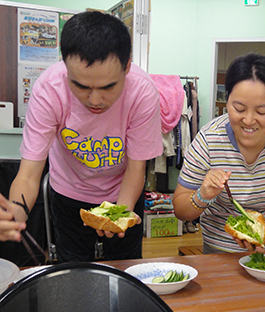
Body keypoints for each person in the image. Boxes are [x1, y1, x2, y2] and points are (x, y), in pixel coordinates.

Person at [8, 11, 163, 262]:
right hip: (68, 194)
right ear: (65, 65)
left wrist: (117, 216)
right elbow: (28, 174)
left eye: (108, 87)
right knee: (74, 272)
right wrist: (14, 215)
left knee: (123, 270)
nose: (94, 100)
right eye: (80, 86)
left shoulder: (142, 92)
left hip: (122, 194)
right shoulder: (49, 90)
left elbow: (136, 169)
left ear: (127, 67)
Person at [173, 54, 265, 254]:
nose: (248, 120)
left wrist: (261, 229)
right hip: (220, 253)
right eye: (238, 108)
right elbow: (181, 210)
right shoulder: (209, 139)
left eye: (262, 112)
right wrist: (202, 195)